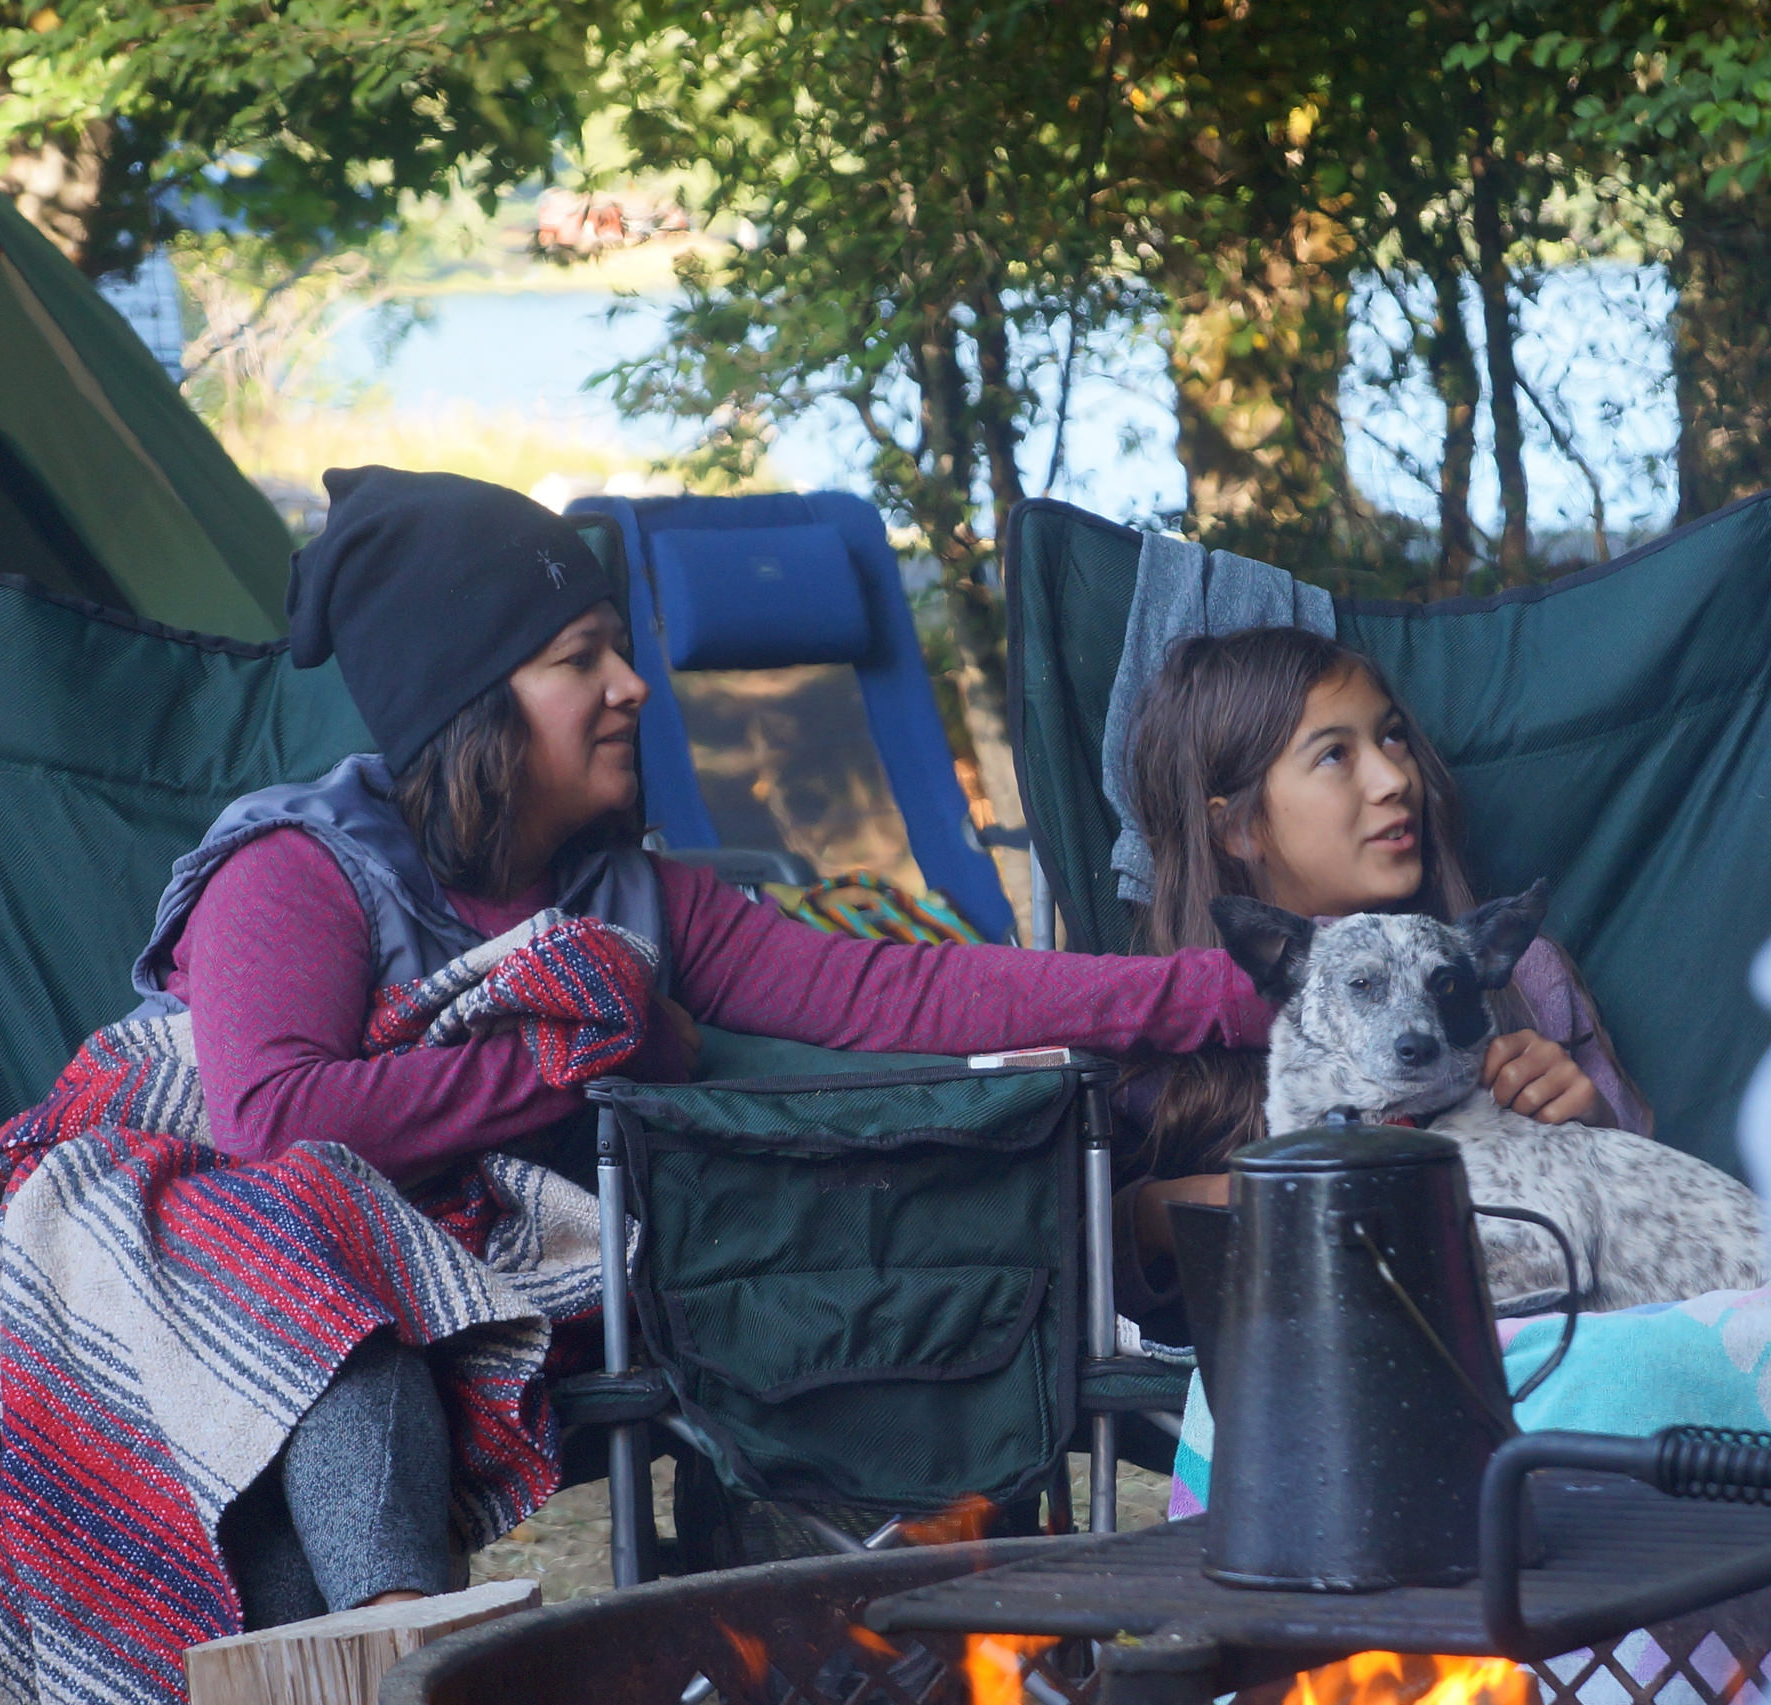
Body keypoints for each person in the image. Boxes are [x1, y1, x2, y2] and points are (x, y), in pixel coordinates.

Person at [110, 469, 1281, 1628]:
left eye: (619, 649)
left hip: (517, 1294)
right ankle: (391, 1639)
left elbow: (893, 989)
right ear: (467, 698)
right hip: (238, 1289)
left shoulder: (627, 896)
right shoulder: (298, 869)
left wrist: (1242, 989)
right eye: (580, 659)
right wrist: (584, 1051)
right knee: (326, 1298)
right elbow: (272, 1121)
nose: (631, 687)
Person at [1115, 625, 1651, 1340]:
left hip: (1565, 1356)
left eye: (1393, 737)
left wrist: (1589, 1118)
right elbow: (1091, 1273)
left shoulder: (1522, 981)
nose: (1394, 777)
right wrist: (1169, 1211)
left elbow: (1650, 1200)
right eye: (1335, 753)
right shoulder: (1176, 1043)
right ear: (1239, 827)